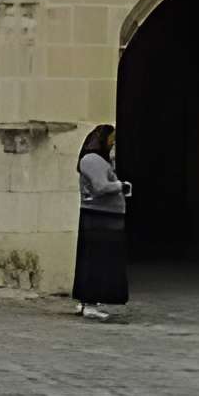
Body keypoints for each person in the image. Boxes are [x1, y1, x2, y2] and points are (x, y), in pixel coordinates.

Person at [72, 123, 132, 322]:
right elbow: (100, 186)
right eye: (111, 139)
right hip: (99, 217)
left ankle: (87, 301)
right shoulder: (92, 160)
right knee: (97, 261)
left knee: (96, 259)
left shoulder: (99, 160)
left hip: (102, 216)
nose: (113, 143)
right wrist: (121, 186)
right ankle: (90, 302)